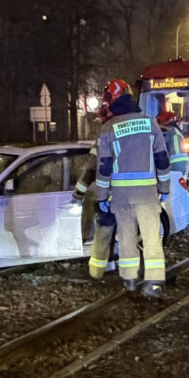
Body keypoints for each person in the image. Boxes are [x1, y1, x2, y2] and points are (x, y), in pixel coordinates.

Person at [95, 78, 170, 298]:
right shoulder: (150, 123)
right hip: (147, 194)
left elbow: (104, 167)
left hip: (120, 196)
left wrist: (102, 196)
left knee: (126, 236)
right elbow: (162, 159)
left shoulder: (108, 128)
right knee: (151, 237)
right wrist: (164, 188)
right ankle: (154, 283)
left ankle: (129, 278)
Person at [74, 102, 117, 281]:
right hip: (126, 192)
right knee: (113, 231)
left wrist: (79, 191)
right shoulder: (123, 134)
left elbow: (92, 167)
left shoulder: (104, 136)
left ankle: (97, 272)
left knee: (103, 230)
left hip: (106, 193)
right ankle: (112, 264)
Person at [157, 110, 189, 178]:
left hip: (176, 164)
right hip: (185, 164)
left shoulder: (171, 133)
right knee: (178, 185)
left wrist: (156, 126)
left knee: (171, 186)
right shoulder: (176, 132)